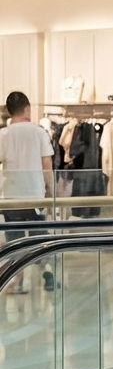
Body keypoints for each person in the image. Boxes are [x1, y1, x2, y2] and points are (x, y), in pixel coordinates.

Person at [0, 91, 56, 294]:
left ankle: (17, 282)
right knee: (39, 238)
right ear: (27, 108)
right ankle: (47, 273)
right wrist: (51, 190)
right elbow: (46, 163)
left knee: (15, 241)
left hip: (11, 196)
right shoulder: (38, 131)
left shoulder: (3, 135)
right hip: (34, 194)